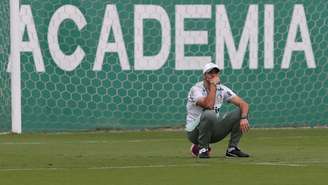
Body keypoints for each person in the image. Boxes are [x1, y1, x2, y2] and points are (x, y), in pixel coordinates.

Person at [186, 63, 250, 158]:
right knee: (209, 113)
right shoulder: (196, 89)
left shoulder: (222, 89)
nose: (213, 75)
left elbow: (243, 104)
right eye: (210, 72)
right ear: (204, 75)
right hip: (194, 132)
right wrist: (213, 86)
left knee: (241, 111)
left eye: (215, 72)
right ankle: (203, 148)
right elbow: (209, 105)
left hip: (213, 130)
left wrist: (244, 117)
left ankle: (232, 149)